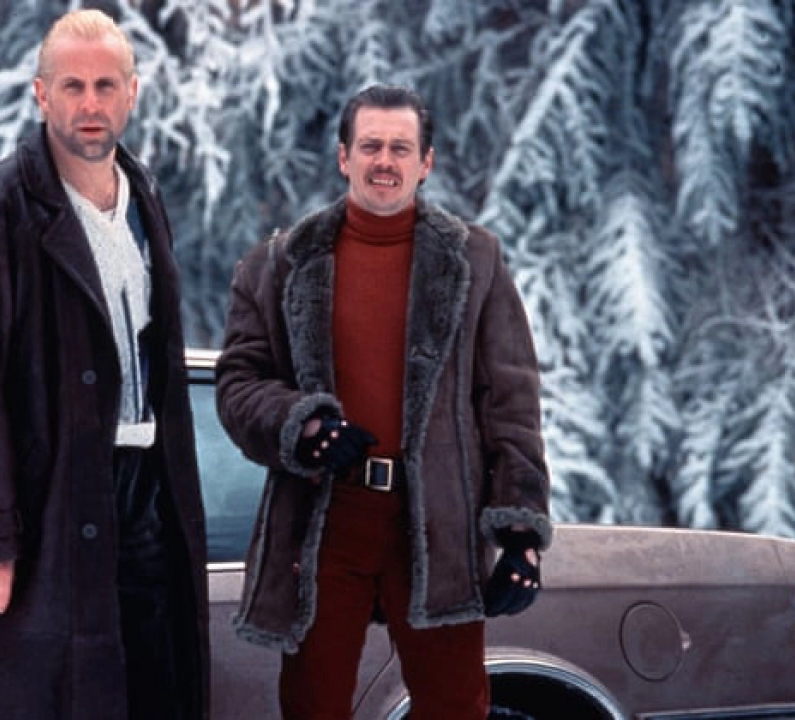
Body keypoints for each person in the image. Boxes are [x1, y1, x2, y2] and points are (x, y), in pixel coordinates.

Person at [214, 84, 552, 720]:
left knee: (455, 707)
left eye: (401, 148)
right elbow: (238, 383)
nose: (385, 161)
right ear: (344, 156)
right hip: (324, 521)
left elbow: (511, 403)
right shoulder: (280, 264)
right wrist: (301, 424)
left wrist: (520, 533)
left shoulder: (474, 261)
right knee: (313, 706)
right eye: (370, 146)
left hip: (438, 524)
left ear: (426, 163)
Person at [0, 9, 209, 719]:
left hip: (145, 497)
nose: (90, 104)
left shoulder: (143, 200)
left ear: (133, 93)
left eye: (106, 85)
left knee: (152, 693)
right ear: (41, 95)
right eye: (72, 86)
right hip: (47, 506)